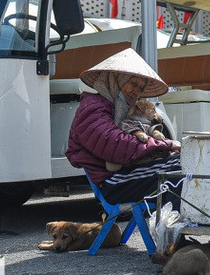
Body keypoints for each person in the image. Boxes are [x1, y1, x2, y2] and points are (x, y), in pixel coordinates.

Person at [66, 48, 183, 206]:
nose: (136, 92)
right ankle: (175, 222)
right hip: (112, 182)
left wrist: (165, 150)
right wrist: (166, 145)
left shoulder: (121, 108)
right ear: (117, 80)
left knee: (186, 164)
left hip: (127, 172)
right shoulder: (92, 108)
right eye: (133, 84)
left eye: (141, 88)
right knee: (179, 172)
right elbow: (117, 145)